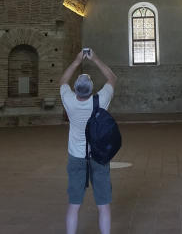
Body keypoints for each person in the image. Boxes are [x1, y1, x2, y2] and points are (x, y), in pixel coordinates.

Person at [59, 49, 117, 234]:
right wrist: (96, 59)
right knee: (103, 205)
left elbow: (62, 81)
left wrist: (77, 62)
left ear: (75, 88)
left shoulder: (68, 100)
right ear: (92, 89)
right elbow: (112, 78)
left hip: (76, 157)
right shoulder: (100, 100)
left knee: (74, 206)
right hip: (98, 157)